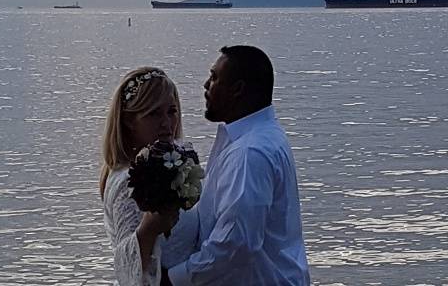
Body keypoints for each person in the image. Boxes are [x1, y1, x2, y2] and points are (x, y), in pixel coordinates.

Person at [166, 45, 311, 285]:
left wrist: (173, 279)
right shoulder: (265, 137)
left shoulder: (249, 152)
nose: (205, 86)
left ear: (238, 89)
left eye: (214, 78)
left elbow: (236, 243)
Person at [101, 67, 184, 285]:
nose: (167, 123)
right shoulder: (128, 182)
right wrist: (149, 228)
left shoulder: (169, 164)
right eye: (154, 113)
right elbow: (126, 266)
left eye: (171, 111)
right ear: (129, 121)